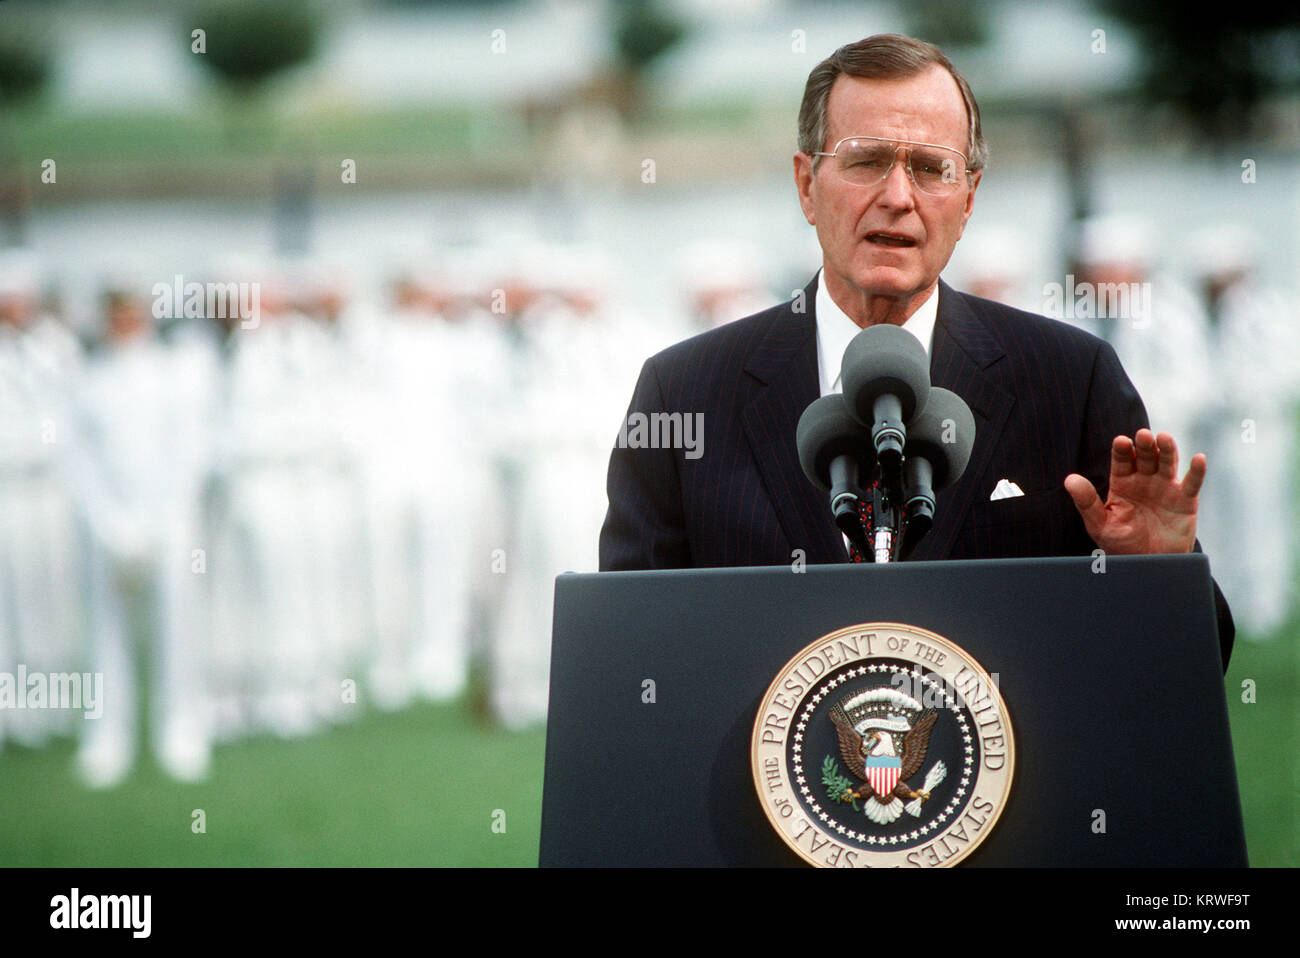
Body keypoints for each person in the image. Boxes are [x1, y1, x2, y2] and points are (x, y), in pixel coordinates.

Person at [599, 34, 1234, 668]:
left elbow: (1185, 669)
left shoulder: (1070, 380)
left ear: (969, 199)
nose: (899, 197)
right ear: (805, 184)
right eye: (867, 161)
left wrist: (1161, 575)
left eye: (931, 169)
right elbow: (631, 655)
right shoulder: (683, 394)